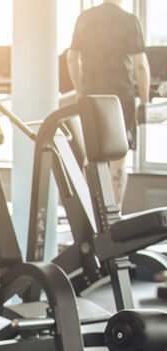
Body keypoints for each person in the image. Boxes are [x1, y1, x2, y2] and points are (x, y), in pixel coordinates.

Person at [67, 0, 150, 206]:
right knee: (118, 160)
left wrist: (79, 91)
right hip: (120, 100)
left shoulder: (84, 18)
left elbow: (71, 58)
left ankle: (91, 215)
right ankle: (113, 217)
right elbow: (140, 66)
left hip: (91, 98)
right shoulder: (129, 20)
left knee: (92, 156)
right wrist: (145, 101)